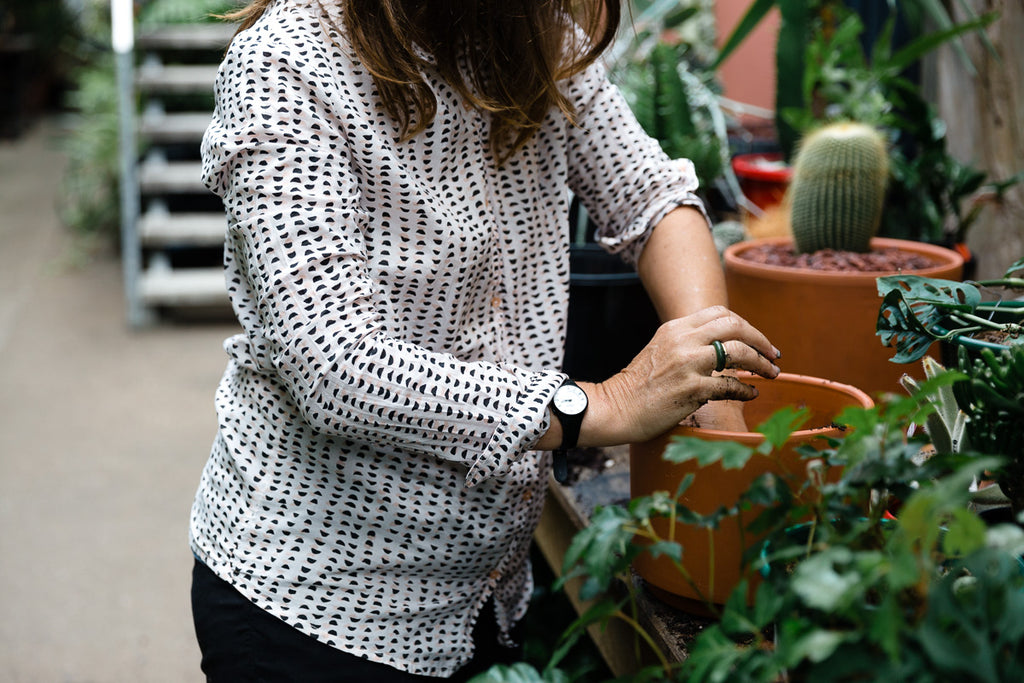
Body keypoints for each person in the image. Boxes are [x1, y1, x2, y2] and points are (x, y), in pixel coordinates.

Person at [188, 0, 782, 680]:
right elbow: (333, 363)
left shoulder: (529, 32)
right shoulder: (287, 60)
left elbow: (652, 201)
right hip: (315, 607)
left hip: (486, 593)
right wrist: (605, 402)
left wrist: (716, 381)